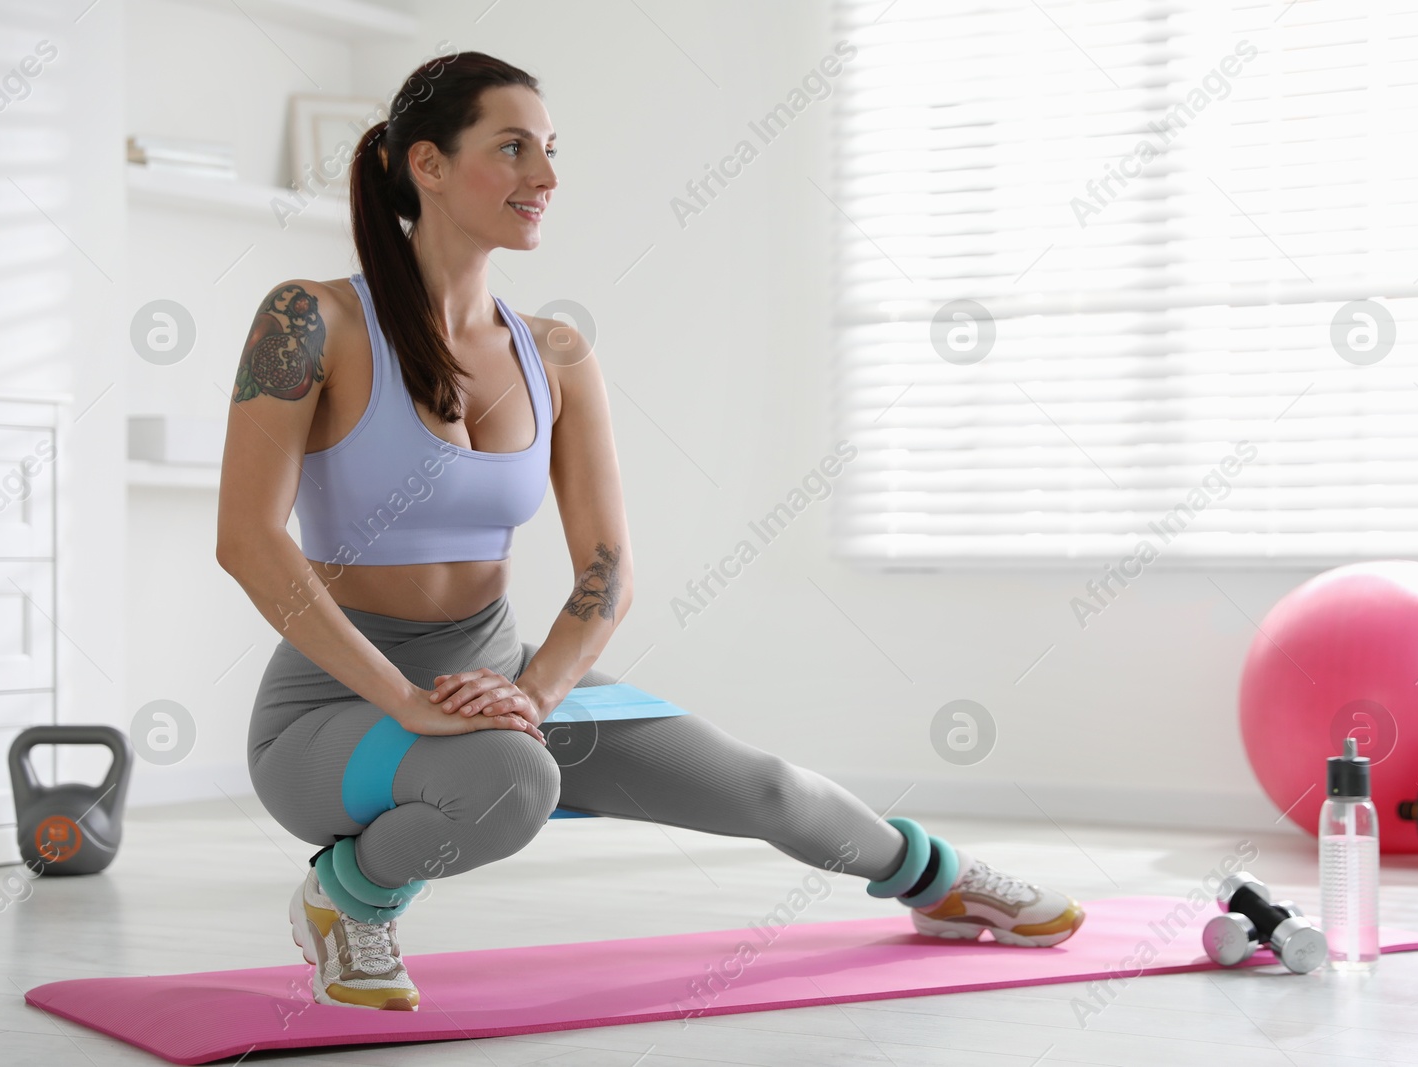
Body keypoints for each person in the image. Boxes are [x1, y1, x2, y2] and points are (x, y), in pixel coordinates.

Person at [215, 51, 1085, 1013]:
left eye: (549, 152)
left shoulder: (554, 351)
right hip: (336, 708)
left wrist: (530, 688)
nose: (545, 179)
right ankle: (348, 899)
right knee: (511, 780)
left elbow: (608, 565)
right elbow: (249, 540)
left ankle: (940, 882)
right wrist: (409, 701)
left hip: (498, 678)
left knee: (763, 790)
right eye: (512, 149)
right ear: (427, 163)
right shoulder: (311, 319)